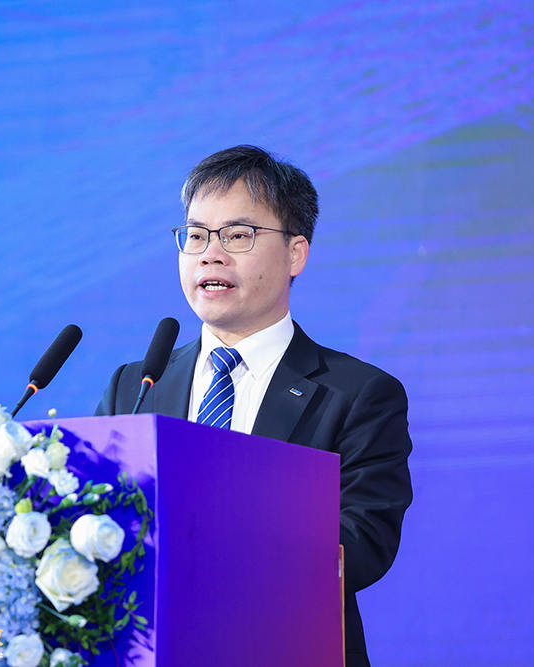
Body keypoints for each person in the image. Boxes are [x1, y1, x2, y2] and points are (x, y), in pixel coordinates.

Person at [95, 145, 413, 666]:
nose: (210, 254)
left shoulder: (358, 394)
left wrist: (216, 545)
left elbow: (363, 542)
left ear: (296, 254)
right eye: (196, 235)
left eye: (237, 236)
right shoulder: (135, 386)